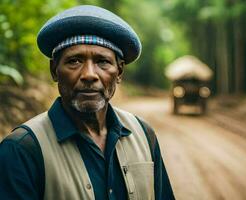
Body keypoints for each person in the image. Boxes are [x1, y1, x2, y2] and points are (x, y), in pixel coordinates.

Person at [0, 5, 175, 200]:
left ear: (119, 72)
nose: (89, 75)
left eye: (102, 61)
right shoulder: (21, 150)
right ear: (54, 70)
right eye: (74, 61)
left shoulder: (144, 135)